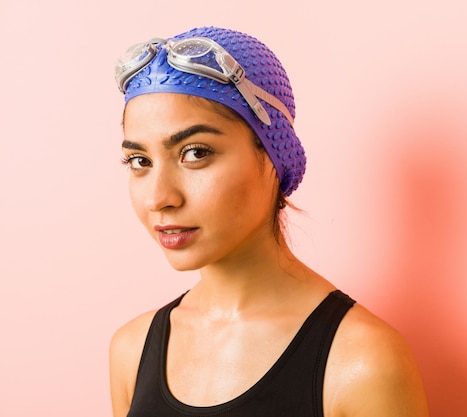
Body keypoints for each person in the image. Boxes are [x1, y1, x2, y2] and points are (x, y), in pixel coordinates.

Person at [109, 25, 429, 417]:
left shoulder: (360, 363)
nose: (160, 197)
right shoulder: (132, 350)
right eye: (139, 161)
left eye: (195, 153)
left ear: (275, 157)